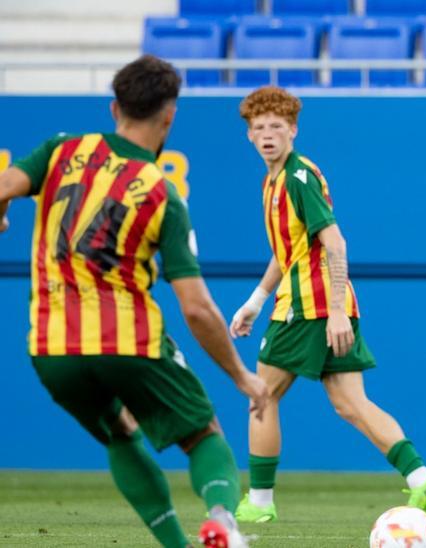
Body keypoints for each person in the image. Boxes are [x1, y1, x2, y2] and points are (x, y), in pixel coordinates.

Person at [0, 55, 265, 548]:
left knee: (121, 432)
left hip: (50, 347)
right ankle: (223, 521)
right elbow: (197, 307)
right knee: (203, 433)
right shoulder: (163, 194)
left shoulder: (62, 152)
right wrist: (241, 376)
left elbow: (3, 186)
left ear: (114, 106)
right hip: (127, 341)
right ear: (170, 116)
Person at [227, 86, 426, 524]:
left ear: (293, 130)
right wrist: (254, 301)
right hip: (317, 304)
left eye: (276, 127)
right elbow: (286, 251)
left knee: (261, 396)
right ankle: (422, 478)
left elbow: (335, 243)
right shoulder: (272, 181)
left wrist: (337, 310)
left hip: (309, 307)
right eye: (259, 128)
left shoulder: (297, 177)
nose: (268, 134)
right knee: (350, 404)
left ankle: (260, 503)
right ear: (250, 136)